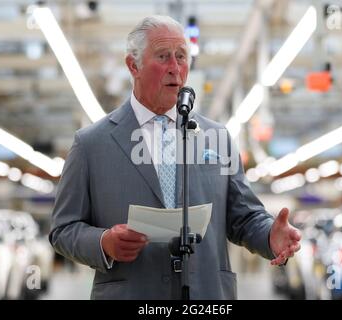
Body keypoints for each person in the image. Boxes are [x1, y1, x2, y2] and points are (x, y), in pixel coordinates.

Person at [49, 15, 301, 300]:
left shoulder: (218, 138)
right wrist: (103, 242)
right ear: (133, 65)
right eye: (163, 57)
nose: (175, 68)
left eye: (182, 56)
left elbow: (243, 218)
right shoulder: (91, 144)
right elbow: (63, 229)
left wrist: (270, 235)